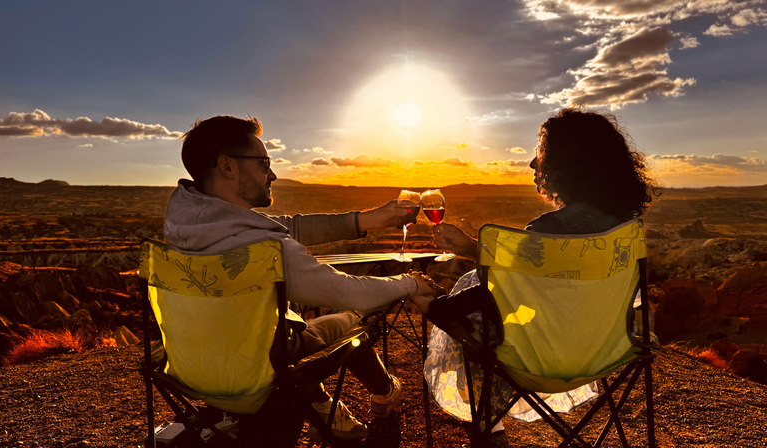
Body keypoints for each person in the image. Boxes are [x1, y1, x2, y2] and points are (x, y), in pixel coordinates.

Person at [164, 115, 441, 440]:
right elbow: (346, 290)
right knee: (348, 321)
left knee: (294, 335)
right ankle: (384, 393)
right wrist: (411, 284)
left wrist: (365, 220)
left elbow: (287, 227)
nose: (273, 174)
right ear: (227, 167)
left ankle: (325, 407)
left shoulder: (186, 225)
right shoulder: (265, 249)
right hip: (257, 369)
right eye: (264, 163)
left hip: (194, 361)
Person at [413, 107, 658, 429]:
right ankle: (490, 420)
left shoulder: (549, 229)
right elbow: (539, 284)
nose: (532, 163)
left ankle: (487, 419)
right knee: (482, 290)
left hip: (539, 361)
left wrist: (433, 304)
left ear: (568, 165)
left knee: (474, 322)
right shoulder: (625, 228)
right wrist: (476, 250)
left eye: (542, 153)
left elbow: (497, 295)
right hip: (606, 353)